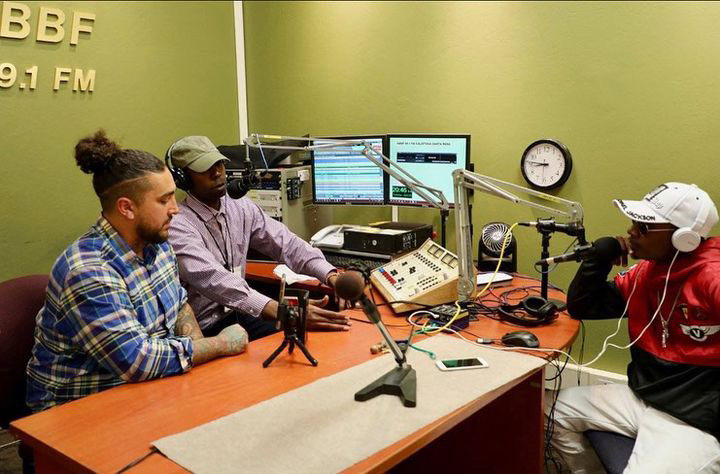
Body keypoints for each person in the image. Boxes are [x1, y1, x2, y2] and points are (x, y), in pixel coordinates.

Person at [26, 130, 248, 413]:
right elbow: (136, 360)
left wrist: (199, 362)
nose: (175, 209)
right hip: (76, 409)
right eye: (164, 200)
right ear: (127, 208)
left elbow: (179, 305)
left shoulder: (158, 244)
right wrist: (220, 345)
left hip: (146, 389)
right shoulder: (89, 271)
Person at [548, 182, 720, 473]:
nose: (631, 231)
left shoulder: (712, 275)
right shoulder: (649, 271)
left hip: (694, 418)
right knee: (552, 411)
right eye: (634, 223)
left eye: (644, 227)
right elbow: (584, 306)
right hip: (644, 397)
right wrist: (598, 259)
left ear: (684, 237)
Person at [166, 136, 351, 340]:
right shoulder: (178, 225)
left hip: (240, 314)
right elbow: (214, 279)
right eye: (205, 168)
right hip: (206, 329)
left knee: (310, 340)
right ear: (183, 178)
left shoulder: (240, 206)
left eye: (219, 164)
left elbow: (286, 244)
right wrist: (281, 310)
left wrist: (331, 276)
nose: (217, 173)